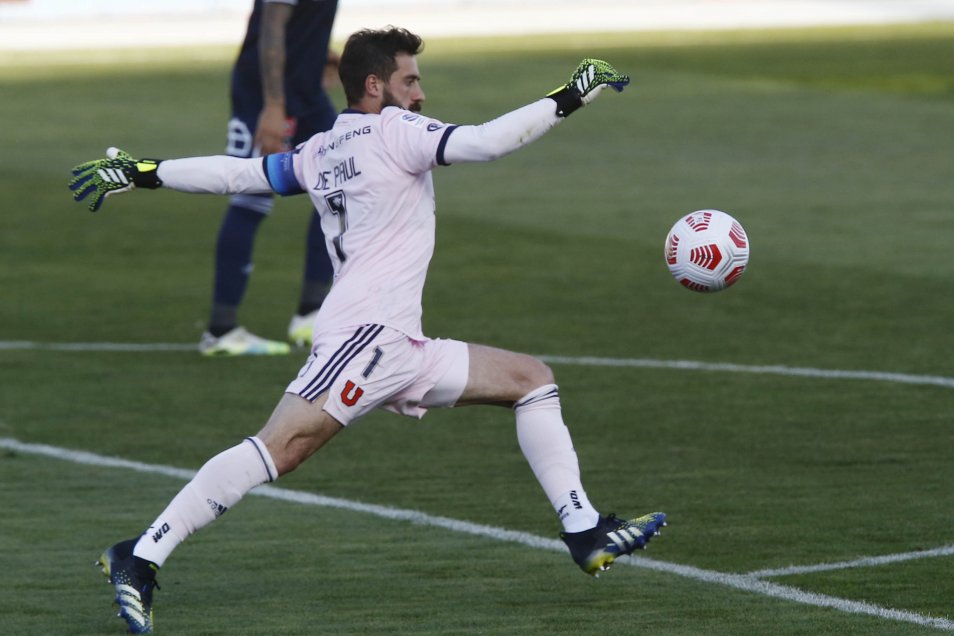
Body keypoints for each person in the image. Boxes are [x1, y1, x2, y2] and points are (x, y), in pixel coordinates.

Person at [70, 27, 667, 634]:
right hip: (364, 338)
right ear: (376, 86)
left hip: (400, 344)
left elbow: (238, 175)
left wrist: (144, 172)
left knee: (530, 379)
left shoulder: (321, 148)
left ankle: (584, 530)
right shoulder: (394, 131)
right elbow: (487, 143)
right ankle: (140, 555)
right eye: (411, 81)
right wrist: (572, 94)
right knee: (281, 447)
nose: (421, 94)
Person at [202, 0, 339, 356]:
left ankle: (311, 314)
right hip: (265, 97)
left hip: (308, 93)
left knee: (341, 186)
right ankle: (221, 331)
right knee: (251, 195)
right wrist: (274, 105)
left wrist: (318, 53)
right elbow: (272, 27)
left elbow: (303, 19)